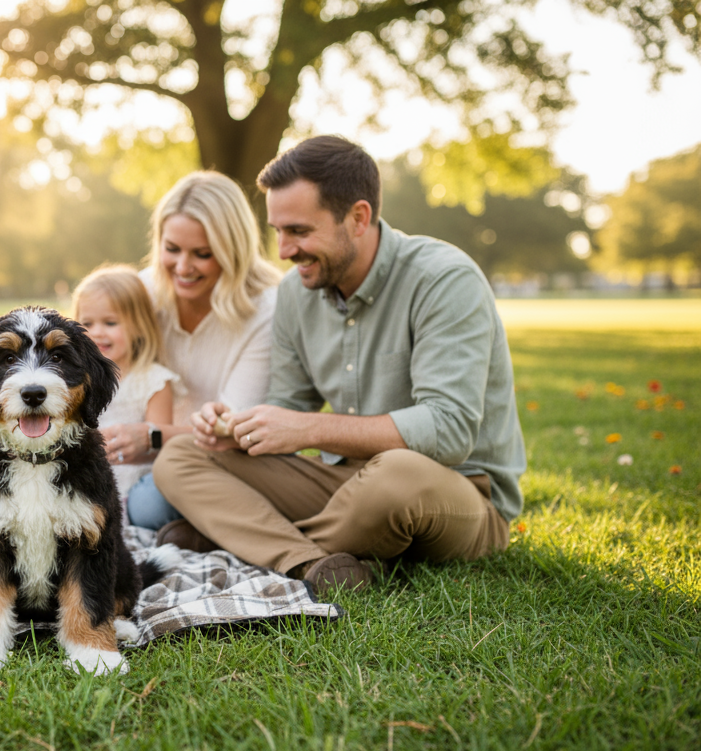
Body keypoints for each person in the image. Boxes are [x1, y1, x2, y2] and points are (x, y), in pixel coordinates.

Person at [152, 136, 526, 592]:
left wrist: (310, 430)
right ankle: (309, 564)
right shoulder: (295, 294)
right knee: (181, 455)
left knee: (396, 475)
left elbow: (448, 431)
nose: (284, 251)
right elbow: (284, 404)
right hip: (347, 484)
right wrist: (232, 428)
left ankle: (237, 541)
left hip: (458, 491)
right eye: (278, 231)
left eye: (299, 232)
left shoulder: (443, 280)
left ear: (359, 218)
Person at [114, 171, 282, 529]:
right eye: (171, 249)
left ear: (231, 251)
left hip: (230, 458)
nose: (183, 267)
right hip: (152, 459)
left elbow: (236, 428)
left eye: (202, 254)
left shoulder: (267, 309)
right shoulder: (143, 292)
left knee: (148, 508)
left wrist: (150, 435)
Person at [71, 265, 182, 519]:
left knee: (152, 506)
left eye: (110, 323)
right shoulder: (74, 380)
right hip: (83, 485)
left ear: (139, 326)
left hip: (135, 487)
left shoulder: (154, 381)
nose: (97, 332)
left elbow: (161, 446)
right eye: (87, 323)